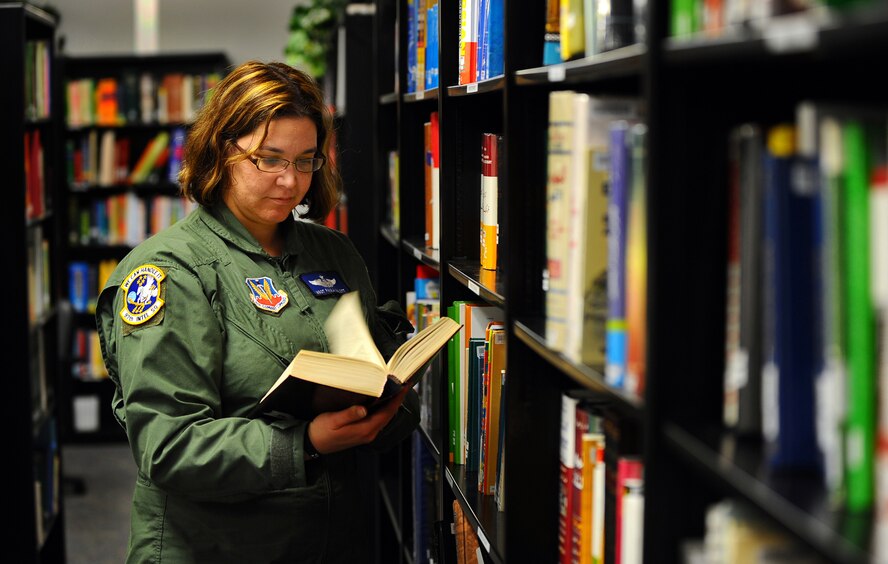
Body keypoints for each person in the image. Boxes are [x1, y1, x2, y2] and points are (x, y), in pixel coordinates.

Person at [95, 60, 419, 563]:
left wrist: (389, 406)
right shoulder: (170, 271)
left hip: (327, 542)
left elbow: (373, 371)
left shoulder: (333, 253)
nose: (290, 181)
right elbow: (169, 446)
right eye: (269, 159)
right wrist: (305, 443)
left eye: (306, 161)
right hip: (212, 548)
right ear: (221, 151)